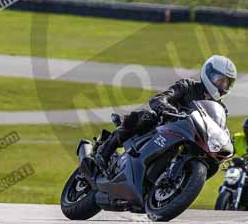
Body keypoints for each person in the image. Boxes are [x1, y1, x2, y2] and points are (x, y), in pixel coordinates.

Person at [90, 55, 237, 177]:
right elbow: (160, 98)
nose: (223, 86)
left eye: (227, 83)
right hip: (166, 125)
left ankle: (178, 182)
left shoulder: (221, 109)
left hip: (192, 138)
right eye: (220, 80)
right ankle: (105, 151)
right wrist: (169, 109)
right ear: (209, 74)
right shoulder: (187, 86)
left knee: (213, 161)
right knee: (145, 117)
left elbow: (218, 130)